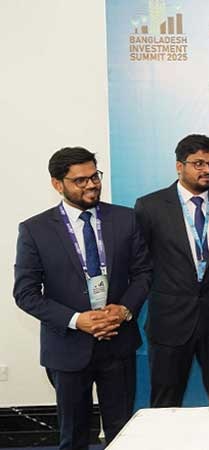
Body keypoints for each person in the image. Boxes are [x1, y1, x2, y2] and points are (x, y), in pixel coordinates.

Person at [14, 147, 151, 449]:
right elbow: (25, 294)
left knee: (122, 432)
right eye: (80, 180)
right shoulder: (35, 230)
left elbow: (143, 273)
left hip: (117, 341)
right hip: (67, 347)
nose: (91, 185)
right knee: (73, 435)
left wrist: (124, 310)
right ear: (57, 184)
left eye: (94, 177)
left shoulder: (126, 219)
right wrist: (77, 320)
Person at [134, 134, 209, 408]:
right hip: (170, 321)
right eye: (198, 163)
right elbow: (142, 259)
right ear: (179, 166)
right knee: (165, 402)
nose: (207, 170)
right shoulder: (150, 206)